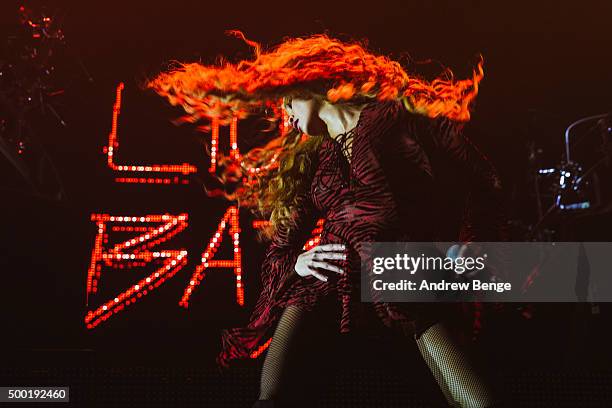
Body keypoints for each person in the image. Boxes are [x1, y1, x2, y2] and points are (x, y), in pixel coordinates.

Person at [147, 31, 507, 407]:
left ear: (310, 86)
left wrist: (471, 242)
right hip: (327, 283)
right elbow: (282, 245)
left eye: (287, 103)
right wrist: (298, 262)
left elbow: (484, 179)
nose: (285, 115)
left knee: (477, 402)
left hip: (400, 272)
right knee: (271, 399)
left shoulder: (396, 118)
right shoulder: (316, 155)